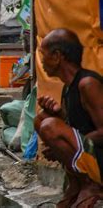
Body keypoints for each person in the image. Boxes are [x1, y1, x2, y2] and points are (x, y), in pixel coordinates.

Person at [34, 29, 103, 207]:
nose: (41, 60)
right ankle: (76, 183)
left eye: (44, 55)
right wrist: (60, 140)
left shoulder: (87, 84)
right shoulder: (68, 87)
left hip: (100, 158)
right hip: (90, 155)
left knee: (50, 126)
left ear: (57, 56)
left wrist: (67, 141)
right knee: (43, 119)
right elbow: (78, 126)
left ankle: (91, 184)